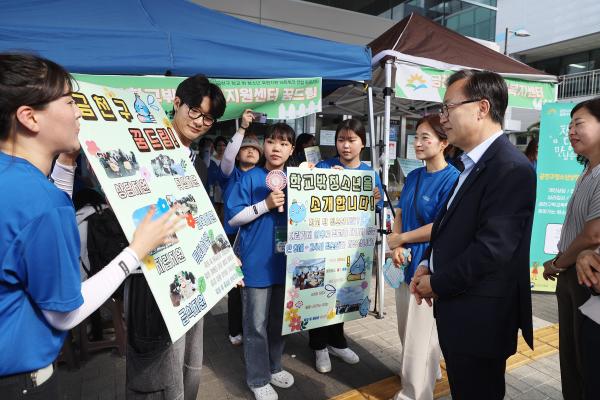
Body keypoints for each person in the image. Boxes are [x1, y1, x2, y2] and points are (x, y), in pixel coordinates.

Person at [0, 53, 183, 398]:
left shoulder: (16, 182)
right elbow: (65, 314)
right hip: (19, 381)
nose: (79, 112)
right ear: (29, 117)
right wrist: (135, 251)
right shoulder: (41, 204)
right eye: (69, 101)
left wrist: (66, 162)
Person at [411, 69, 536, 400]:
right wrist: (427, 262)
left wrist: (436, 283)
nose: (443, 117)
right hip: (461, 310)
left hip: (481, 319)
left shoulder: (510, 168)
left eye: (448, 107)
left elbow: (492, 249)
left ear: (482, 108)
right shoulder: (470, 164)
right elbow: (448, 227)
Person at [126, 74, 226, 400]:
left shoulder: (195, 159)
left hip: (190, 277)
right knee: (156, 377)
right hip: (151, 278)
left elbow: (199, 218)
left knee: (189, 366)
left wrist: (222, 256)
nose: (199, 122)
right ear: (177, 103)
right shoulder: (142, 146)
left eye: (208, 117)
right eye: (194, 111)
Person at [386, 114, 459, 400]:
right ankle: (428, 371)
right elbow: (401, 214)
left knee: (420, 337)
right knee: (409, 332)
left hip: (429, 267)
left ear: (444, 142)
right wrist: (398, 246)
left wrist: (402, 239)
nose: (417, 143)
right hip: (404, 263)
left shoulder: (451, 179)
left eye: (425, 138)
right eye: (416, 137)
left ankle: (414, 394)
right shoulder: (415, 175)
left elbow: (441, 228)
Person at [227, 123, 296, 400]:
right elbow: (232, 217)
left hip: (287, 264)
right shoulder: (250, 178)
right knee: (255, 325)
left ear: (292, 150)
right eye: (271, 141)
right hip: (255, 264)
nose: (276, 148)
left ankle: (275, 365)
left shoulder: (299, 179)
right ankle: (257, 378)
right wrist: (264, 205)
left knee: (279, 321)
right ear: (263, 146)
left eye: (283, 143)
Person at [310, 119, 383, 374]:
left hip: (351, 250)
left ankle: (336, 341)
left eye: (351, 140)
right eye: (341, 139)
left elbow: (378, 208)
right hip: (323, 246)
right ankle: (319, 346)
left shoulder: (370, 173)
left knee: (343, 294)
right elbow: (308, 199)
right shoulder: (324, 167)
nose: (345, 145)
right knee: (320, 296)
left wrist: (375, 199)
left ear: (362, 142)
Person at [542, 97, 600, 400]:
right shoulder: (589, 170)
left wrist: (557, 264)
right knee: (572, 358)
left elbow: (593, 234)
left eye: (579, 123)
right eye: (569, 126)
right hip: (572, 274)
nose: (571, 131)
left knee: (586, 362)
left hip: (588, 279)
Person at [219, 109, 261, 345]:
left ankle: (251, 327)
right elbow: (226, 157)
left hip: (255, 237)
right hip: (232, 235)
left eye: (255, 149)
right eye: (246, 148)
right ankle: (235, 329)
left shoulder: (265, 176)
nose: (250, 151)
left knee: (253, 283)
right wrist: (242, 128)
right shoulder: (229, 174)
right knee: (235, 284)